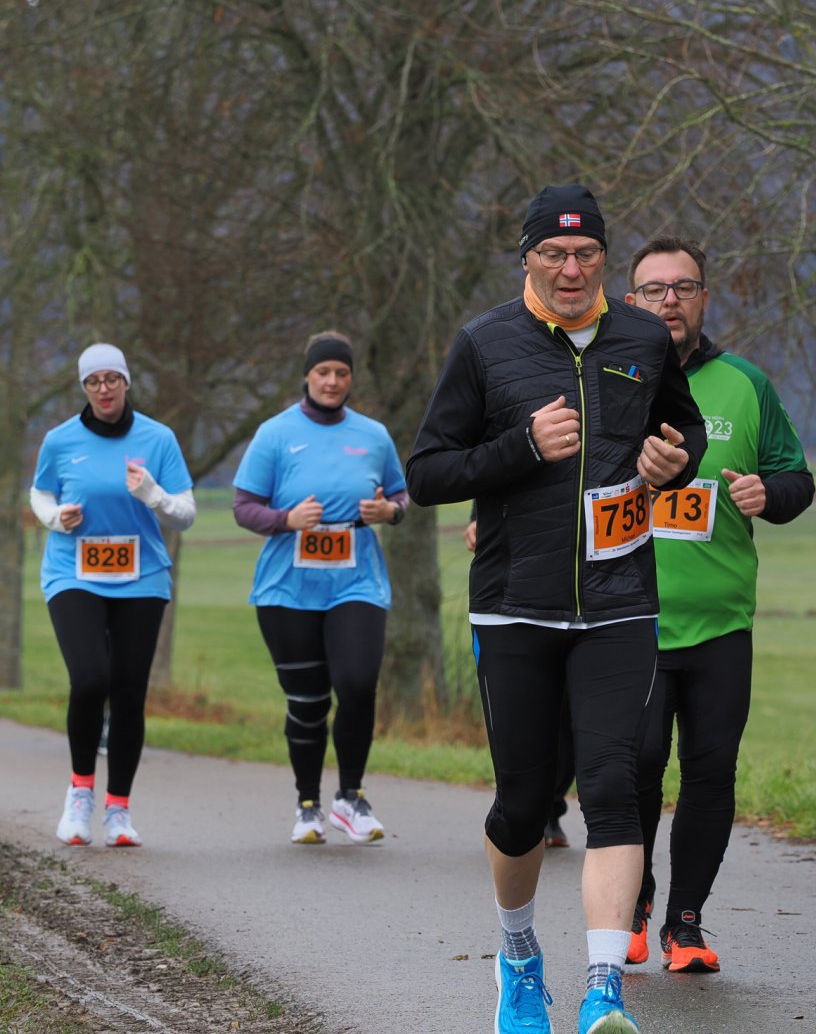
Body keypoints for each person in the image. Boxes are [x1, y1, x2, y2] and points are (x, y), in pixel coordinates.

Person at [406, 184, 706, 1034]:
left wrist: (673, 462)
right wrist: (521, 447)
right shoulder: (485, 343)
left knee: (615, 786)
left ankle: (604, 989)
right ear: (528, 259)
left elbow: (684, 433)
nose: (571, 270)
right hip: (515, 607)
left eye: (586, 255)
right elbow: (427, 472)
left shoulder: (644, 338)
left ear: (605, 259)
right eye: (554, 254)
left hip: (620, 601)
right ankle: (519, 958)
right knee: (523, 803)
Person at [623, 236, 814, 973]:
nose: (669, 300)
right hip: (630, 621)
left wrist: (772, 494)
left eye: (684, 287)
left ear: (704, 298)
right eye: (654, 289)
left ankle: (686, 924)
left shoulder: (746, 383)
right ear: (630, 301)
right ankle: (634, 899)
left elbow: (796, 479)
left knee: (710, 772)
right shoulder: (607, 380)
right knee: (637, 765)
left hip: (721, 625)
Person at [232, 331, 409, 845]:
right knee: (308, 702)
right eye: (323, 372)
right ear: (307, 376)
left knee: (357, 683)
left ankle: (350, 798)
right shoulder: (275, 434)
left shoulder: (373, 435)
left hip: (356, 579)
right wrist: (285, 519)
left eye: (341, 373)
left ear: (351, 378)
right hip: (289, 587)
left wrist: (389, 511)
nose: (332, 381)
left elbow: (401, 496)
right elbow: (243, 507)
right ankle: (307, 804)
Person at [31, 343, 196, 848]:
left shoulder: (158, 438)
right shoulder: (60, 440)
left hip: (142, 576)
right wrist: (55, 517)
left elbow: (186, 514)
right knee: (89, 679)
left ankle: (118, 810)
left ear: (126, 382)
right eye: (93, 381)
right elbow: (40, 492)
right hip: (74, 572)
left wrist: (153, 495)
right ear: (84, 387)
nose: (103, 389)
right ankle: (79, 794)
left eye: (112, 379)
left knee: (127, 691)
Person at [467, 509, 573, 849]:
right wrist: (478, 517)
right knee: (526, 718)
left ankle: (550, 807)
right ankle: (520, 809)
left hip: (588, 590)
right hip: (519, 590)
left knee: (571, 714)